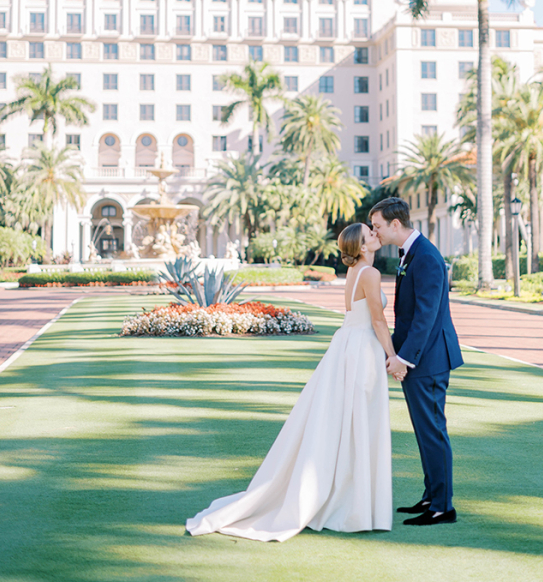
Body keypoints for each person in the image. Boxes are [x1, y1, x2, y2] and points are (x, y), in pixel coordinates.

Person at [185, 223, 397, 541]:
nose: (375, 235)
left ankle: (348, 499)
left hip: (347, 345)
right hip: (362, 347)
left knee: (346, 421)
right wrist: (392, 355)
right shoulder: (369, 274)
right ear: (362, 246)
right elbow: (378, 320)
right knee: (359, 420)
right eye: (370, 234)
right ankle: (351, 503)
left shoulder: (355, 272)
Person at [369, 197, 463, 526]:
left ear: (396, 224)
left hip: (429, 360)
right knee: (425, 432)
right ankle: (431, 496)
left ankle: (443, 507)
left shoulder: (426, 256)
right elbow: (408, 317)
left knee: (432, 431)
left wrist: (403, 359)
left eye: (378, 226)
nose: (374, 231)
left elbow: (426, 316)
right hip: (419, 359)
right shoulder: (411, 252)